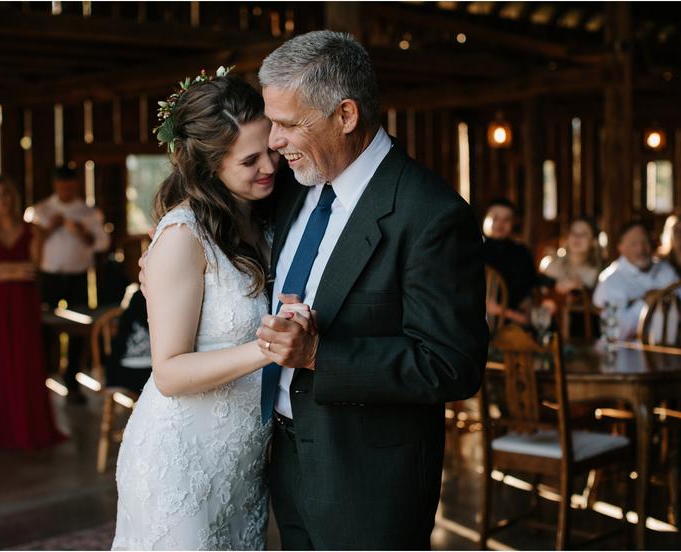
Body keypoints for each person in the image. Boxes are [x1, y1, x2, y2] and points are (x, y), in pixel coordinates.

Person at [253, 31, 487, 549]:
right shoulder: (294, 187)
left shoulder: (430, 214)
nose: (273, 141)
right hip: (286, 463)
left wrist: (320, 355)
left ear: (346, 115)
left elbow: (453, 364)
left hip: (369, 485)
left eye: (288, 124)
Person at [113, 75, 288, 550]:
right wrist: (266, 350)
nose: (270, 165)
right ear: (210, 167)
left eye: (270, 149)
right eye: (250, 160)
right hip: (181, 460)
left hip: (241, 462)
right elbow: (168, 372)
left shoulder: (267, 215)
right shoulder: (182, 237)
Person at [0, 176, 65, 450]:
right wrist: (10, 270)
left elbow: (32, 269)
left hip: (23, 303)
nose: (2, 201)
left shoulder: (32, 230)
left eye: (6, 194)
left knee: (26, 362)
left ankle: (29, 428)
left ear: (14, 197)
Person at [31, 166, 110, 404]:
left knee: (78, 329)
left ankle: (71, 379)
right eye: (62, 185)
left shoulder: (88, 212)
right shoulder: (41, 210)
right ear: (55, 185)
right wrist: (50, 228)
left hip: (77, 277)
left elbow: (102, 244)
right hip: (49, 277)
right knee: (44, 329)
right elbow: (31, 243)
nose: (66, 189)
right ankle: (41, 381)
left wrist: (83, 234)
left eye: (70, 186)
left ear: (76, 185)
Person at [593, 219, 679, 341]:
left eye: (645, 242)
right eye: (633, 244)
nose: (641, 249)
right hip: (627, 353)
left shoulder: (665, 270)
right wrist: (646, 303)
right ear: (621, 248)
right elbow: (615, 333)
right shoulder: (610, 280)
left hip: (671, 349)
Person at [482, 198, 539, 327]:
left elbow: (528, 292)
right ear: (485, 219)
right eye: (495, 218)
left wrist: (506, 313)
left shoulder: (521, 253)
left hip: (513, 323)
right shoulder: (473, 251)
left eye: (506, 219)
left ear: (513, 223)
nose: (500, 224)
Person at [542, 217, 603, 293]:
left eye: (583, 234)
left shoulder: (600, 274)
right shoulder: (553, 266)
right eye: (573, 232)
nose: (577, 237)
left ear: (594, 241)